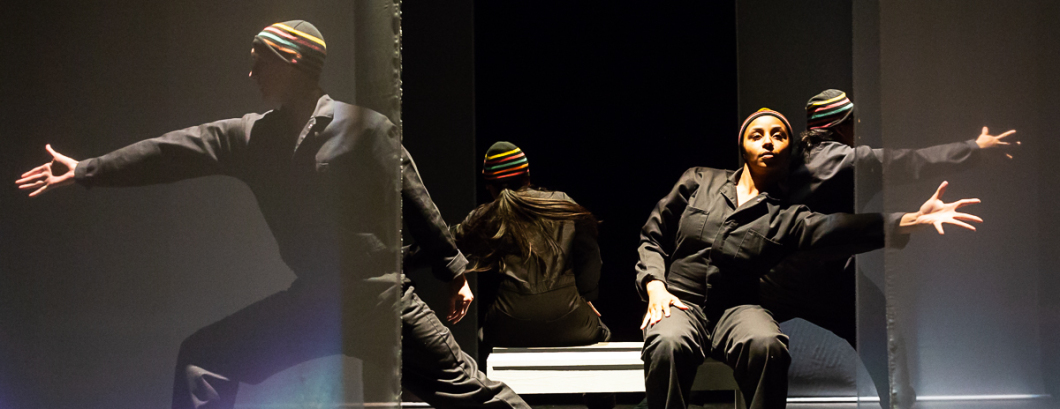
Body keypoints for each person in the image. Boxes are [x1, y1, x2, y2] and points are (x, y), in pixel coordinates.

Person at [16, 20, 528, 409]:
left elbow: (414, 200)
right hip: (313, 302)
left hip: (379, 299)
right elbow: (171, 153)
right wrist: (86, 170)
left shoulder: (365, 129)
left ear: (292, 62)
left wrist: (454, 271)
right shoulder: (252, 138)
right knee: (202, 359)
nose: (251, 74)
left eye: (259, 62)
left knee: (476, 396)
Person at [635, 108, 983, 409]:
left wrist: (911, 220)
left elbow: (836, 227)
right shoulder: (699, 180)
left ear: (789, 150)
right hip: (680, 301)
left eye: (778, 136)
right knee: (667, 343)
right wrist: (654, 285)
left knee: (767, 344)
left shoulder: (783, 215)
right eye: (757, 135)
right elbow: (653, 236)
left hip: (738, 309)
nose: (768, 142)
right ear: (743, 146)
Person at [758, 89, 1018, 408]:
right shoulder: (850, 161)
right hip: (826, 280)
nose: (859, 128)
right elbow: (912, 161)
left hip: (777, 276)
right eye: (855, 122)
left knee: (754, 339)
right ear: (842, 126)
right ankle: (897, 402)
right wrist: (975, 148)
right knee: (883, 335)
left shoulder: (787, 158)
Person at [451, 142, 608, 362]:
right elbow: (590, 256)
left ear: (489, 186)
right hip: (569, 316)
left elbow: (443, 242)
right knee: (602, 332)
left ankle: (492, 385)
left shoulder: (486, 215)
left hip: (509, 323)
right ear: (527, 176)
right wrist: (586, 295)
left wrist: (458, 279)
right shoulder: (561, 203)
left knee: (485, 335)